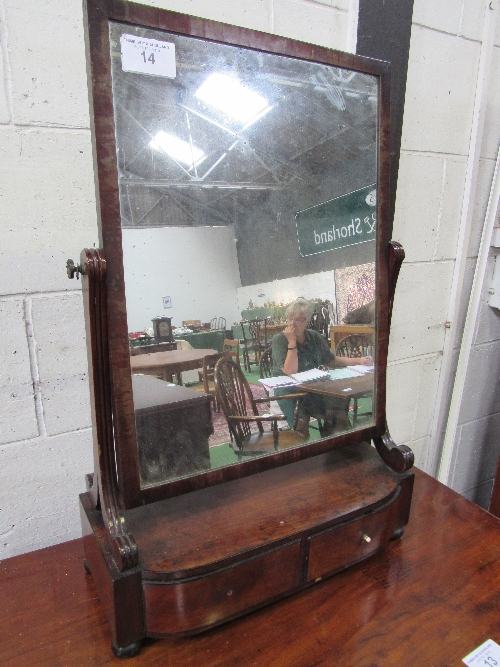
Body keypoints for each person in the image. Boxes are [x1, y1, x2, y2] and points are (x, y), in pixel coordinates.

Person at [271, 298, 372, 436]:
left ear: (307, 321)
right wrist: (292, 341)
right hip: (289, 389)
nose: (292, 324)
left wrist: (359, 360)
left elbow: (331, 361)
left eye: (298, 320)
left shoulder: (315, 337)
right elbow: (290, 371)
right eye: (290, 318)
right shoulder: (280, 340)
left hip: (313, 387)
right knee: (300, 426)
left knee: (338, 412)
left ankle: (334, 444)